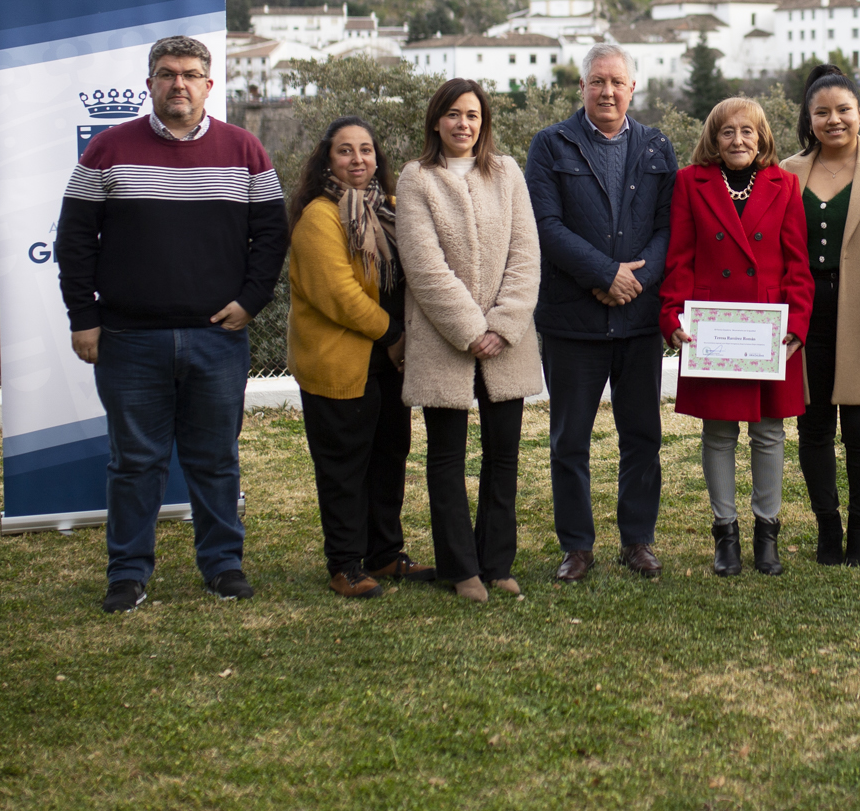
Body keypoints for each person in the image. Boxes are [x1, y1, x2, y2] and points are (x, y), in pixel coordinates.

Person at [56, 35, 288, 614]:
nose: (177, 83)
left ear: (210, 85)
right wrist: (83, 317)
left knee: (215, 459)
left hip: (218, 338)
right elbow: (75, 241)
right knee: (135, 462)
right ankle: (128, 573)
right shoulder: (107, 151)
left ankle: (223, 565)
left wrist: (252, 301)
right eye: (166, 73)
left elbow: (273, 238)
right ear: (150, 83)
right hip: (129, 339)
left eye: (189, 74)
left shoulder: (246, 151)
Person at [525, 43, 678, 582]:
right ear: (582, 88)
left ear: (633, 88)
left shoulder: (658, 147)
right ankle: (577, 546)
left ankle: (637, 541)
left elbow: (668, 227)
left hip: (637, 320)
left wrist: (633, 281)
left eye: (617, 82)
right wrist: (603, 274)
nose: (607, 91)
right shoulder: (550, 145)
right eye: (597, 81)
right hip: (572, 320)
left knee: (643, 436)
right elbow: (545, 226)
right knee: (570, 439)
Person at [398, 79, 543, 602]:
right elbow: (423, 263)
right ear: (437, 120)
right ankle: (460, 569)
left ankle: (497, 562)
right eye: (454, 114)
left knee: (504, 456)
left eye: (473, 115)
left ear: (484, 123)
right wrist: (470, 328)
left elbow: (526, 255)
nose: (464, 124)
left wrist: (502, 325)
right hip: (444, 342)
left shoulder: (506, 173)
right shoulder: (417, 178)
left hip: (508, 342)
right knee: (447, 458)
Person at [662, 98, 813, 576]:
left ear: (763, 137)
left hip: (768, 330)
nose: (738, 140)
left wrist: (797, 326)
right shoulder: (690, 183)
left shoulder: (784, 184)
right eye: (728, 132)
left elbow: (797, 265)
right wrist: (671, 315)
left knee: (769, 433)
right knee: (719, 432)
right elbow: (679, 258)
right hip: (713, 331)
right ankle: (724, 534)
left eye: (748, 131)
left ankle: (767, 534)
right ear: (713, 137)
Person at [285, 115, 434, 599]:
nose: (357, 159)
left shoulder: (389, 209)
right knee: (344, 468)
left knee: (389, 458)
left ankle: (385, 554)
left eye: (365, 150)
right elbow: (339, 294)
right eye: (345, 151)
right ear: (327, 159)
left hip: (390, 363)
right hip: (341, 362)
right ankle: (345, 563)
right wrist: (393, 333)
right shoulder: (319, 216)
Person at [778, 65, 860, 567]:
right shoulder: (786, 171)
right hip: (804, 313)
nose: (834, 120)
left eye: (843, 110)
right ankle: (827, 527)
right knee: (811, 429)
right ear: (809, 119)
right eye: (822, 112)